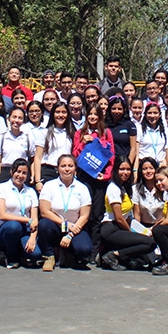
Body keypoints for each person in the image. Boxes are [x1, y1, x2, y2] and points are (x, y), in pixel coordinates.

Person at [38, 155, 93, 271]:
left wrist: (70, 235)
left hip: (75, 227)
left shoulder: (82, 188)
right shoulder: (49, 186)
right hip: (55, 225)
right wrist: (66, 225)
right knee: (43, 224)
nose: (67, 169)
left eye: (70, 166)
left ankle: (68, 253)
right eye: (63, 166)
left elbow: (85, 216)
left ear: (75, 168)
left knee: (85, 250)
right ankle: (49, 256)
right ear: (57, 168)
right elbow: (44, 212)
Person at [72, 105, 114, 256]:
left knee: (97, 215)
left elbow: (111, 156)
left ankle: (94, 252)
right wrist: (83, 142)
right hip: (84, 177)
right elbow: (74, 155)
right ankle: (82, 248)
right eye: (90, 114)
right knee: (84, 214)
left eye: (96, 115)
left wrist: (107, 175)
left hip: (99, 178)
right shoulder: (80, 133)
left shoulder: (106, 133)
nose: (93, 117)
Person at [99, 160, 155, 270]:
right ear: (116, 170)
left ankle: (108, 254)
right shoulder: (113, 188)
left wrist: (140, 231)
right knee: (150, 244)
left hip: (121, 227)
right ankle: (113, 255)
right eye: (122, 169)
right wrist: (130, 233)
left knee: (143, 258)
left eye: (128, 169)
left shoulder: (124, 187)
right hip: (111, 228)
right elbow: (119, 218)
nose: (125, 172)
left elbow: (127, 216)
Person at [0, 160, 41, 268]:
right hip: (5, 229)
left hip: (25, 229)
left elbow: (34, 219)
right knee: (14, 226)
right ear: (11, 172)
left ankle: (16, 251)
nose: (20, 175)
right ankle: (11, 256)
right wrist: (27, 220)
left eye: (24, 173)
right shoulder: (1, 188)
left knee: (35, 254)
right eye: (18, 172)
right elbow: (2, 215)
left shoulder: (31, 191)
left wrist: (32, 238)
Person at [32, 103, 74, 187]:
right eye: (57, 112)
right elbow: (37, 157)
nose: (60, 115)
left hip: (66, 172)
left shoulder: (71, 133)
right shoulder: (44, 133)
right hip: (48, 171)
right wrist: (38, 181)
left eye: (64, 112)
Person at [0, 106, 36, 183]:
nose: (16, 120)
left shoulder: (28, 138)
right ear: (9, 118)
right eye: (14, 117)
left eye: (20, 118)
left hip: (22, 172)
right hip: (6, 171)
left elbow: (32, 160)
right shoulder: (1, 137)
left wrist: (32, 176)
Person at [106, 95, 138, 170]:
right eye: (114, 108)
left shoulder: (129, 124)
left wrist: (127, 166)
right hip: (109, 164)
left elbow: (133, 149)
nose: (116, 111)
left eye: (119, 109)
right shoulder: (105, 125)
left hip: (125, 164)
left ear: (124, 109)